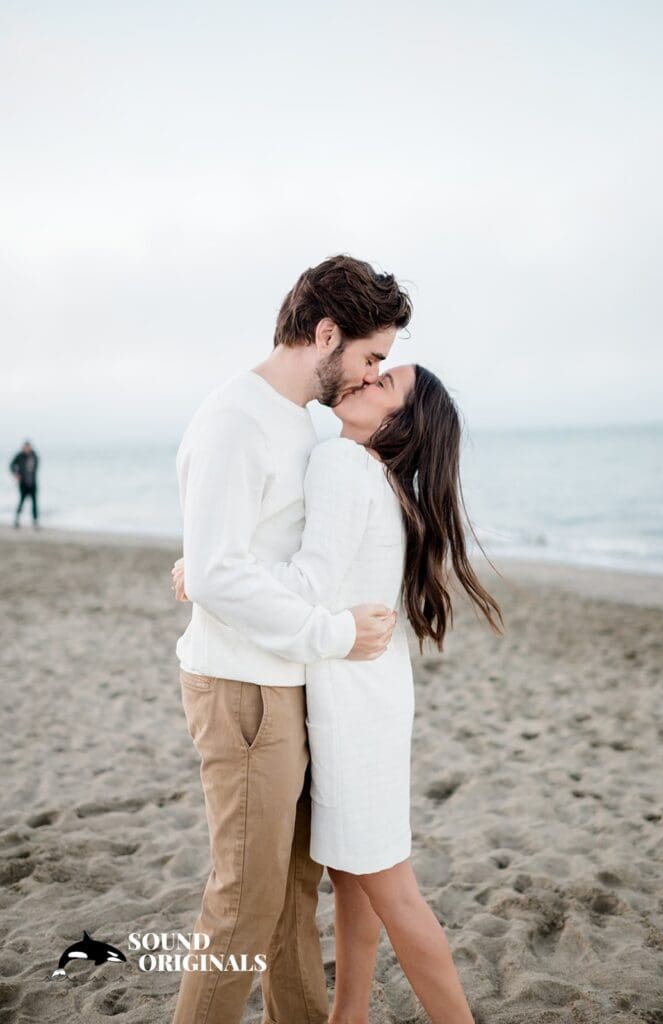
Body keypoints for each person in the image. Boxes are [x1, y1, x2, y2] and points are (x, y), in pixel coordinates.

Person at [173, 363, 505, 1023]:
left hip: (351, 709)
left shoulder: (338, 464)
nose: (365, 379)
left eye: (385, 383)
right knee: (356, 879)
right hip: (370, 696)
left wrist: (205, 569)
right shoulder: (380, 479)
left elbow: (308, 582)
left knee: (391, 889)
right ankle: (345, 1017)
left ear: (399, 422)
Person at [170, 254, 413, 1024]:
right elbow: (218, 573)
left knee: (292, 897)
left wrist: (199, 565)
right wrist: (332, 633)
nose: (375, 372)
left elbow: (247, 553)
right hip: (243, 688)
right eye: (372, 355)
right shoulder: (236, 419)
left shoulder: (299, 423)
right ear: (327, 331)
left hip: (288, 683)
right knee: (244, 903)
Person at [10, 440, 39, 529]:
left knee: (34, 503)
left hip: (33, 483)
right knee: (21, 502)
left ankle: (35, 522)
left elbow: (35, 468)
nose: (27, 449)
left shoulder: (34, 456)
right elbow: (11, 465)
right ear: (23, 448)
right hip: (23, 484)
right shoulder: (20, 456)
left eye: (29, 447)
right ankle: (17, 520)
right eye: (26, 447)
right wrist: (16, 474)